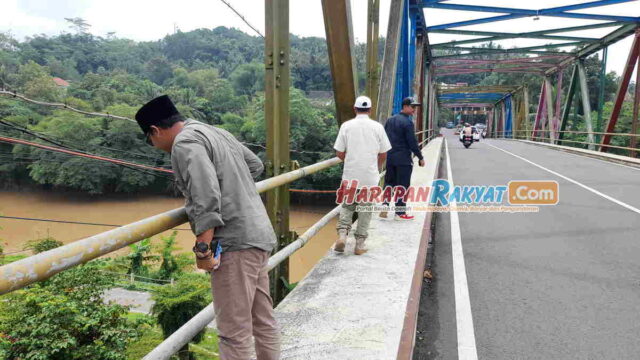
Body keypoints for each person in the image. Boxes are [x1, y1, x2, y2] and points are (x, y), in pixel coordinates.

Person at [135, 95, 280, 360]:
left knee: (232, 332)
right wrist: (233, 184)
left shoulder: (185, 142)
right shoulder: (217, 132)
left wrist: (203, 250)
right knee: (263, 319)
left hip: (234, 242)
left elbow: (205, 195)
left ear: (155, 130)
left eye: (150, 140)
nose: (155, 146)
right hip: (259, 233)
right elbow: (255, 165)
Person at [333, 95, 391, 255]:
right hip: (370, 177)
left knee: (347, 205)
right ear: (370, 110)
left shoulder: (346, 126)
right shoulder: (378, 127)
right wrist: (375, 167)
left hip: (351, 176)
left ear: (355, 109)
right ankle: (359, 244)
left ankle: (343, 235)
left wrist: (351, 160)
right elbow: (384, 153)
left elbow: (339, 152)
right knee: (365, 209)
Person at [381, 97, 425, 221]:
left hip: (390, 158)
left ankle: (385, 205)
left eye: (415, 108)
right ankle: (400, 213)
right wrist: (420, 157)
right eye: (412, 107)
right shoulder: (407, 123)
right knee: (403, 186)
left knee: (389, 183)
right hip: (404, 160)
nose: (414, 110)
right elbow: (412, 143)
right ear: (405, 107)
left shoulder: (390, 120)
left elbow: (384, 138)